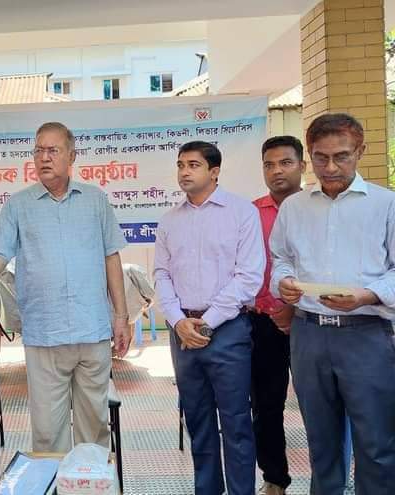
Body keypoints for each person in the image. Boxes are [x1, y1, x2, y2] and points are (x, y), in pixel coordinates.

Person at [0, 122, 131, 454]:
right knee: (48, 433)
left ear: (72, 156)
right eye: (38, 151)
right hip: (44, 334)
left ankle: (89, 482)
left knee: (94, 429)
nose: (43, 158)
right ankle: (54, 480)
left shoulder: (95, 200)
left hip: (91, 331)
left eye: (52, 150)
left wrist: (121, 317)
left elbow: (111, 257)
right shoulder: (18, 205)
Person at [270, 113, 395, 495]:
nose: (330, 167)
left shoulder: (385, 204)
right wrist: (284, 283)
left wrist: (367, 295)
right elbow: (281, 258)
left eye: (341, 156)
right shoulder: (295, 207)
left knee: (376, 443)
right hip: (309, 335)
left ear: (360, 151)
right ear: (310, 155)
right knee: (321, 443)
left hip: (366, 335)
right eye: (321, 157)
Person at [153, 140, 264, 495]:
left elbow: (248, 276)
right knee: (198, 423)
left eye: (194, 165)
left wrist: (207, 321)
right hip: (183, 333)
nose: (184, 172)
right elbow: (161, 274)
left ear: (214, 172)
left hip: (227, 331)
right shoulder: (170, 220)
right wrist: (177, 320)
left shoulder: (241, 213)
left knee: (236, 423)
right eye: (180, 164)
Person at [249, 136, 304, 495]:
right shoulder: (250, 213)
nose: (277, 171)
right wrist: (273, 310)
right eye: (269, 165)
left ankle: (329, 479)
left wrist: (294, 309)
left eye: (285, 163)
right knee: (266, 406)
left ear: (301, 165)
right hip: (263, 322)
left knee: (321, 405)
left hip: (310, 322)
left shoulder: (317, 209)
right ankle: (275, 479)